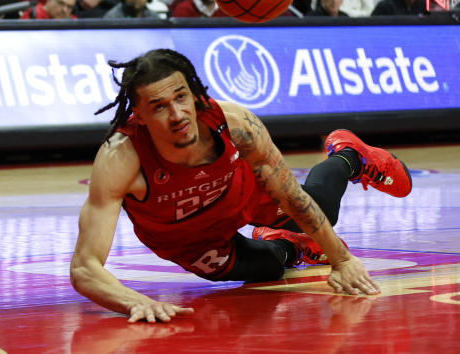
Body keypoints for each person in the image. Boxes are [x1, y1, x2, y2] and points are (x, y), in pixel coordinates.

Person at [71, 49, 403, 322]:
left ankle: (349, 157)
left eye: (181, 97)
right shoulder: (120, 158)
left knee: (321, 211)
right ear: (139, 116)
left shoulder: (235, 124)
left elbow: (291, 196)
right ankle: (292, 246)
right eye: (159, 106)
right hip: (186, 239)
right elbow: (85, 268)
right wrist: (135, 302)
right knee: (268, 267)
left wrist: (342, 260)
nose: (177, 114)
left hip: (239, 193)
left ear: (194, 92)